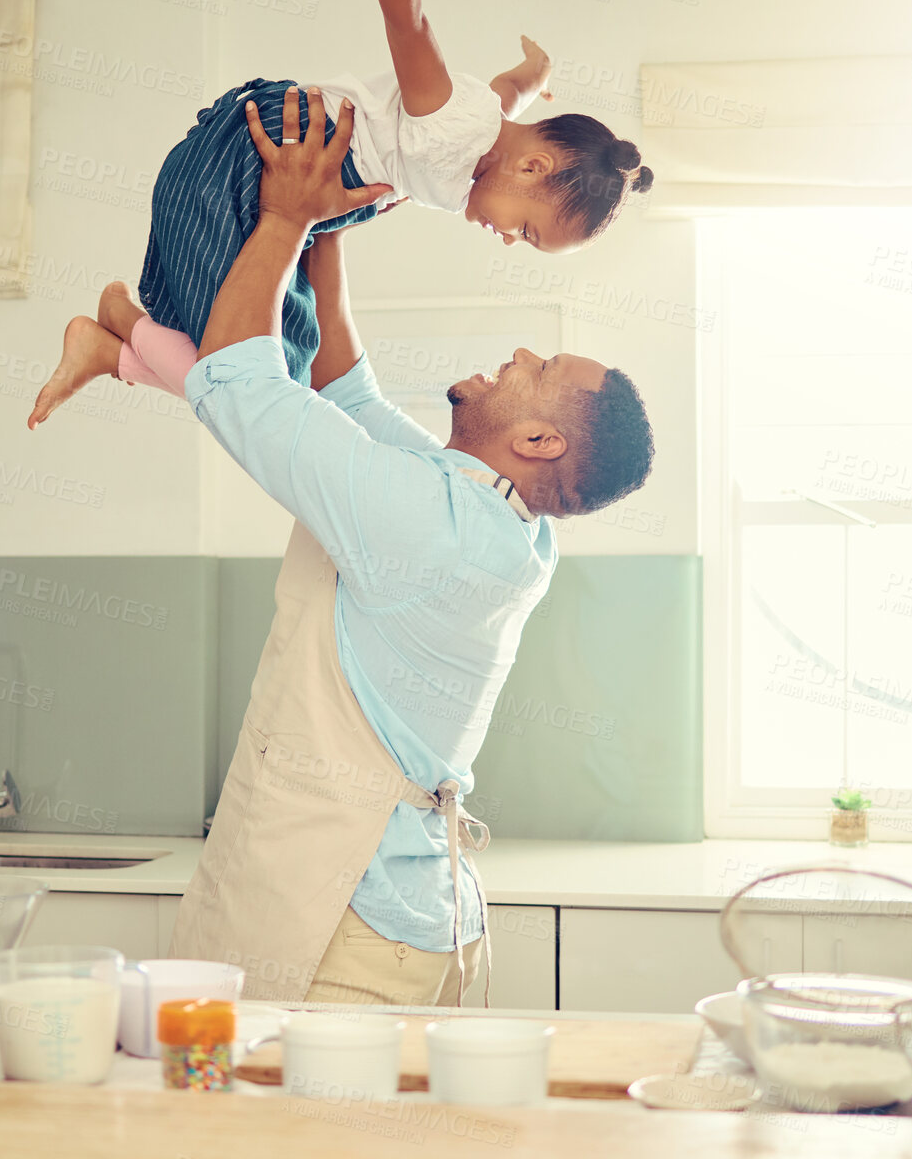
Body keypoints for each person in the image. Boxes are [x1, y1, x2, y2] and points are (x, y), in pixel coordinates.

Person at [165, 86, 655, 1006]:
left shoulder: (432, 530)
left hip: (341, 923)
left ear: (542, 442)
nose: (518, 354)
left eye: (538, 371)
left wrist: (280, 217)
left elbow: (233, 379)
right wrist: (327, 228)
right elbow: (344, 391)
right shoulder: (497, 522)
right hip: (406, 913)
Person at [27, 0, 652, 426]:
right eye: (528, 230)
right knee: (236, 368)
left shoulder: (488, 135)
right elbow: (407, 20)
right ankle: (116, 329)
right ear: (533, 168)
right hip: (254, 159)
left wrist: (535, 72)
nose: (509, 240)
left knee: (285, 372)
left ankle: (106, 349)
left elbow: (507, 93)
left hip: (294, 197)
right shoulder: (451, 124)